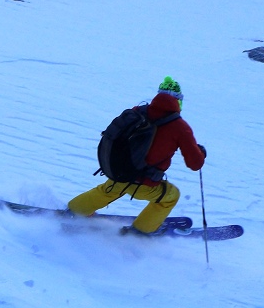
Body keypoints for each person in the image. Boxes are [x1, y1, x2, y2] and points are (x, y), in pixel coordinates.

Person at [68, 77, 206, 234]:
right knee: (171, 196)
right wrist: (200, 152)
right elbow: (195, 164)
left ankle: (74, 210)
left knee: (109, 190)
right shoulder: (180, 127)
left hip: (119, 173)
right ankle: (141, 231)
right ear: (178, 100)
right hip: (144, 183)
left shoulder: (137, 111)